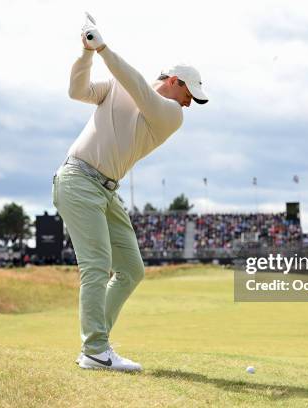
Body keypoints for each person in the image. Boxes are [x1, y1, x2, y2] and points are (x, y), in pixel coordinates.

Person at [52, 22, 208, 372]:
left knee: (131, 270)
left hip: (105, 191)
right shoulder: (117, 87)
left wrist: (105, 49)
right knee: (95, 265)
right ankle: (95, 350)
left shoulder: (171, 114)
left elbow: (138, 87)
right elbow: (77, 90)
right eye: (189, 93)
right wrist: (86, 53)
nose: (190, 102)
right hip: (77, 179)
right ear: (174, 81)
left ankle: (96, 344)